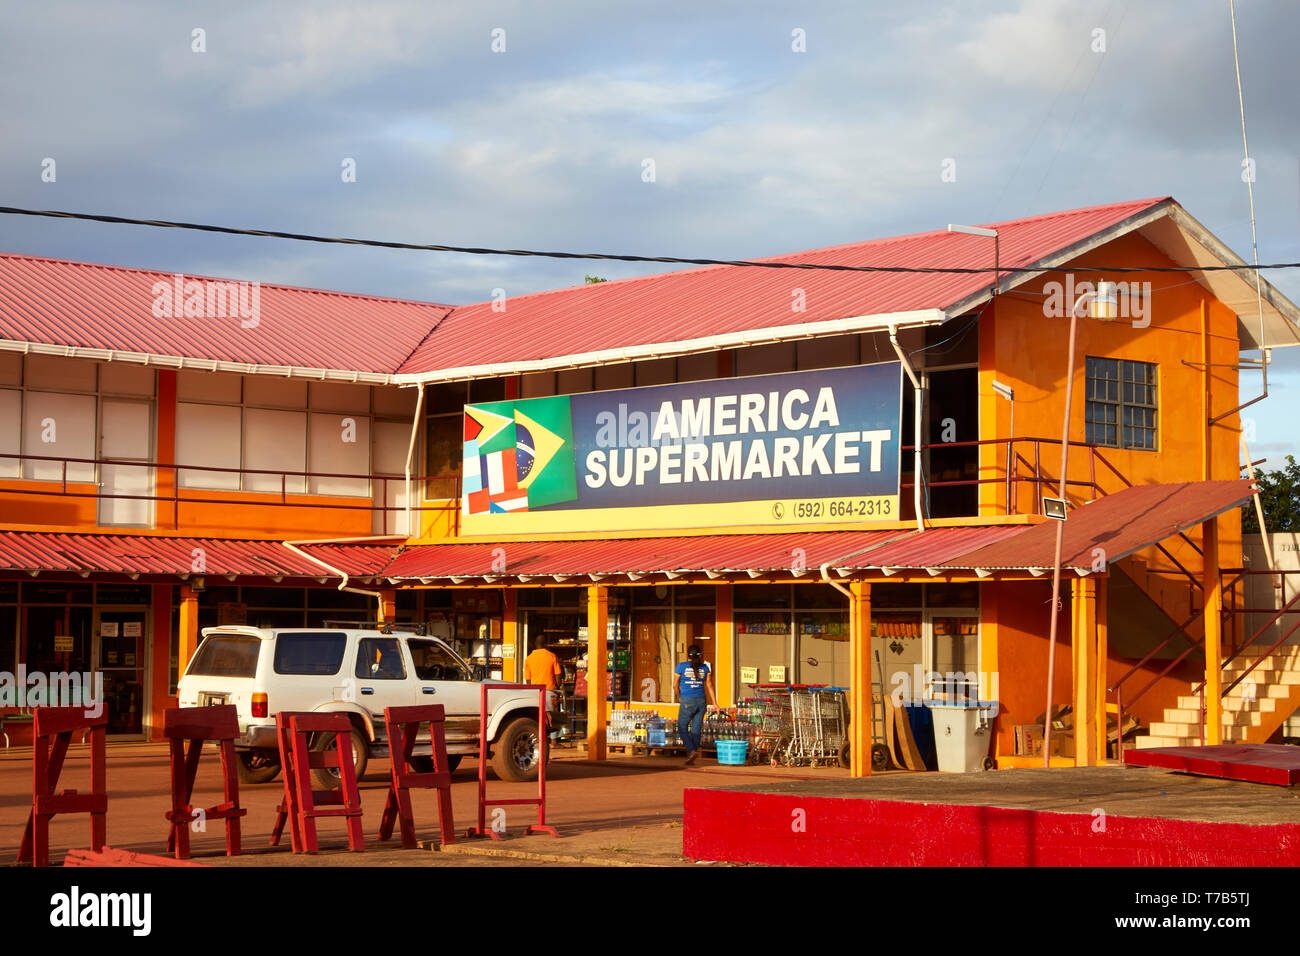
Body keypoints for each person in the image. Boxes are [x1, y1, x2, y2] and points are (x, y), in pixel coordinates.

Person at [673, 644, 717, 766]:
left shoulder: (681, 667)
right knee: (696, 729)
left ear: (687, 655)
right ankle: (694, 751)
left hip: (687, 701)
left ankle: (691, 751)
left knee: (682, 728)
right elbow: (709, 686)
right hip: (701, 701)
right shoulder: (705, 668)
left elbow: (675, 685)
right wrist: (715, 704)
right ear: (700, 655)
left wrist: (679, 697)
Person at [523, 640, 564, 742]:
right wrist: (558, 687)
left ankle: (540, 738)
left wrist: (531, 690)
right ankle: (554, 740)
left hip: (535, 691)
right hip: (549, 689)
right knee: (552, 714)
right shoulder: (551, 656)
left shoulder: (529, 658)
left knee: (538, 714)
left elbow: (528, 678)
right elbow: (558, 674)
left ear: (534, 645)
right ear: (544, 645)